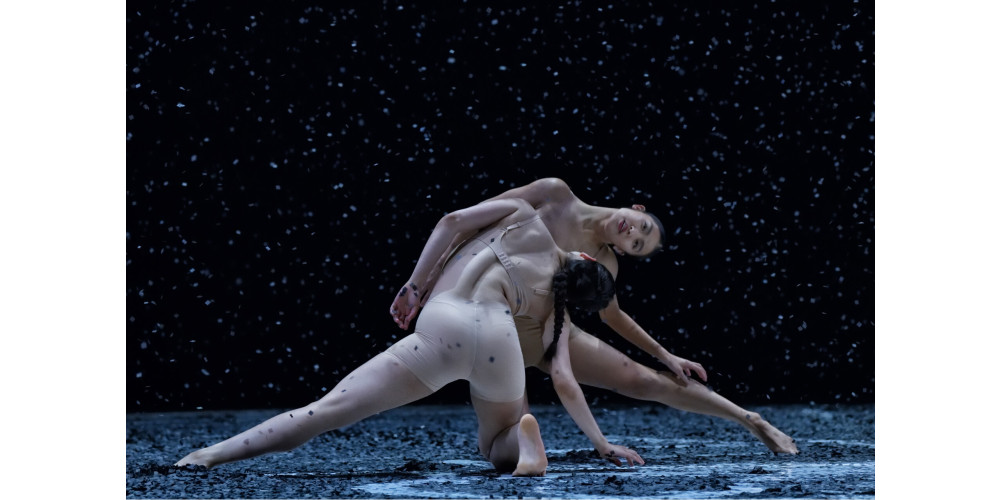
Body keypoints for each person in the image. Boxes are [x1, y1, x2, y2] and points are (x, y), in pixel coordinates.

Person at [176, 198, 644, 475]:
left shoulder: (523, 214)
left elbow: (451, 221)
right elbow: (564, 380)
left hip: (446, 321)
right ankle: (520, 442)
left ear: (585, 256)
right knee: (495, 442)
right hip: (500, 340)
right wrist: (601, 444)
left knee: (328, 410)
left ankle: (209, 455)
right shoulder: (553, 310)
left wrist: (415, 286)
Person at [390, 178, 798, 454]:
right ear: (636, 207)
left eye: (637, 244)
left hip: (543, 329)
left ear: (622, 253)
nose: (632, 233)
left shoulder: (606, 263)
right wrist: (421, 285)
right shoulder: (554, 193)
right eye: (640, 227)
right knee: (508, 439)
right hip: (490, 315)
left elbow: (613, 317)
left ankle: (749, 419)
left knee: (645, 380)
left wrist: (665, 355)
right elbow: (466, 225)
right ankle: (522, 439)